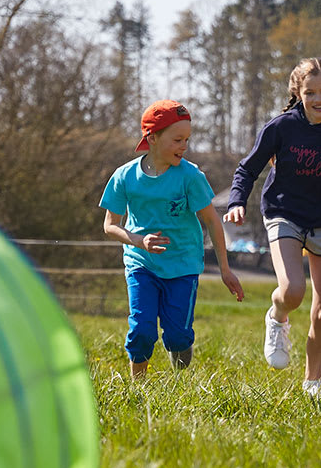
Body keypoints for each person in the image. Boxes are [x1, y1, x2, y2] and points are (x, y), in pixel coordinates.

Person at [225, 57, 321, 396]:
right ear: (298, 93)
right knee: (293, 290)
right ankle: (278, 316)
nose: (318, 98)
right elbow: (247, 169)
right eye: (310, 92)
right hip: (285, 212)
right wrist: (237, 200)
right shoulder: (281, 127)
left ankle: (313, 381)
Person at [100, 99, 245, 379]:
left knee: (177, 336)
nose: (185, 146)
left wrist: (226, 269)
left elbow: (213, 222)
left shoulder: (190, 176)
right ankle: (137, 387)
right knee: (142, 329)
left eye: (187, 139)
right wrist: (139, 241)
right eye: (178, 139)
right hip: (141, 264)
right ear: (152, 138)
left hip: (183, 266)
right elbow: (110, 226)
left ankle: (179, 370)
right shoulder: (124, 177)